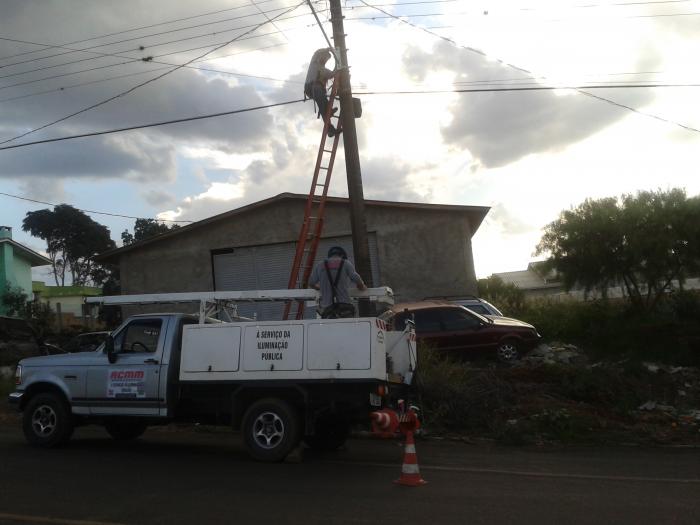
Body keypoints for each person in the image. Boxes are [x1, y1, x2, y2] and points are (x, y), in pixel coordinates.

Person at [309, 246, 367, 318]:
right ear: (342, 255)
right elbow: (356, 278)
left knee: (329, 327)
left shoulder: (320, 265)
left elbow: (311, 282)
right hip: (344, 306)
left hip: (327, 308)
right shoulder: (346, 263)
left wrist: (318, 287)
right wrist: (361, 286)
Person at [304, 48, 341, 137]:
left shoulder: (325, 70)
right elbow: (316, 53)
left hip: (318, 91)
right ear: (320, 57)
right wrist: (328, 49)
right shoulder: (314, 63)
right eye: (324, 57)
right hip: (311, 88)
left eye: (326, 59)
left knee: (325, 108)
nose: (325, 60)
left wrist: (338, 64)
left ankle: (330, 129)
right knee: (323, 104)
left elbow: (333, 73)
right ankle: (328, 112)